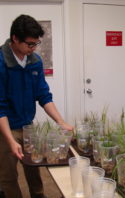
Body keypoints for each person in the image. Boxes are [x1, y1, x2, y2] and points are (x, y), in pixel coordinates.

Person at [0, 14, 73, 198]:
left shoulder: (35, 61)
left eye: (36, 44)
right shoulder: (1, 63)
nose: (33, 48)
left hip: (27, 126)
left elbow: (43, 95)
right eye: (30, 44)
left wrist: (60, 121)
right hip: (5, 128)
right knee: (8, 176)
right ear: (15, 39)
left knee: (34, 168)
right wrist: (10, 140)